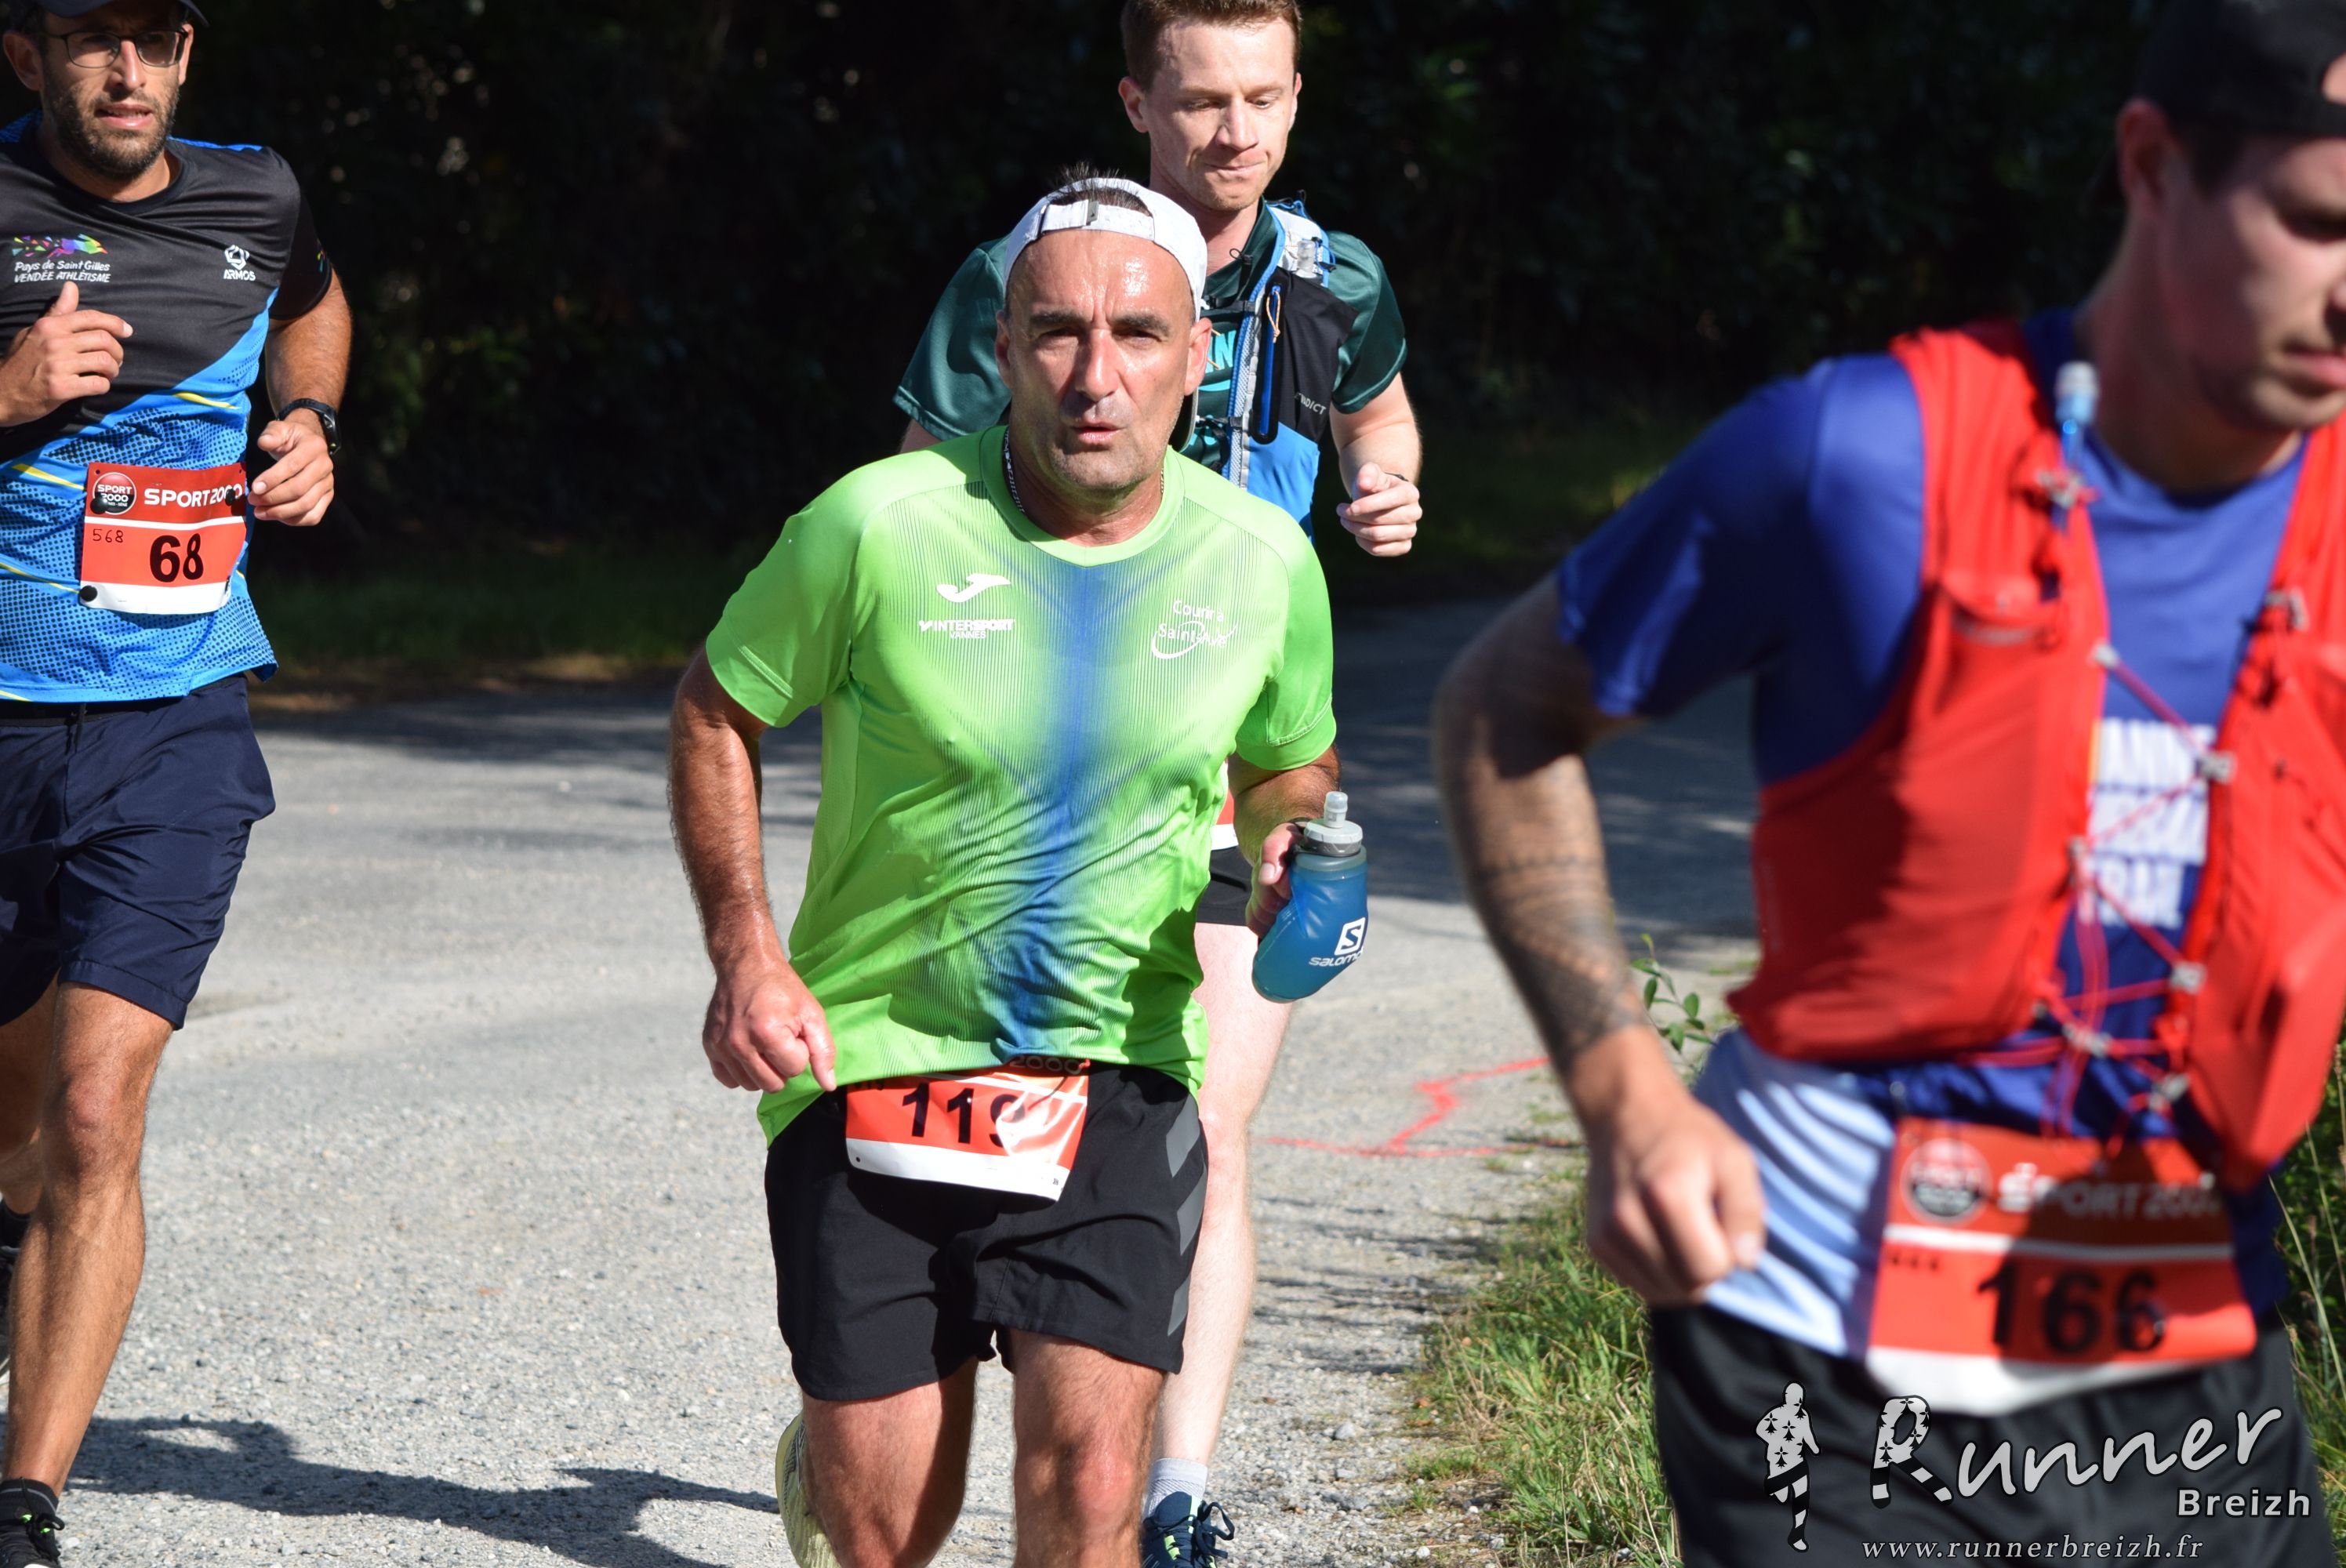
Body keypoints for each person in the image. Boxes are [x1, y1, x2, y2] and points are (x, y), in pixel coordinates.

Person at [1433, 2, 2346, 1562]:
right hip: (1827, 1350)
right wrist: (1623, 1094)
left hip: (2194, 1347)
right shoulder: (1854, 455)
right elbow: (1501, 715)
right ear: (2149, 165)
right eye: (2318, 223)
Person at [670, 174, 1340, 1568]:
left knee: (1091, 1488)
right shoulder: (876, 524)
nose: (1097, 377)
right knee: (884, 1534)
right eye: (1057, 333)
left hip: (1117, 1069)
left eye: (1138, 335)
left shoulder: (1263, 561)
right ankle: (833, 1472)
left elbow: (1291, 755)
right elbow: (717, 711)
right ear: (1001, 347)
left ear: (1196, 354)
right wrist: (747, 951)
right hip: (872, 1059)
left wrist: (1291, 830)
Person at [894, 6, 1415, 1552]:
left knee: (1203, 1124)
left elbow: (1378, 413)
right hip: (1038, 769)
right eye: (1198, 102)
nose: (1233, 133)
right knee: (996, 1125)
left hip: (1240, 763)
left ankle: (1169, 1492)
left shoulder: (1332, 279)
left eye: (1262, 99)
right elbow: (911, 498)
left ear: (1297, 98)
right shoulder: (1026, 275)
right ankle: (886, 1399)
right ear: (1137, 102)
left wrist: (1385, 484)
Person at [0, 0, 346, 1560]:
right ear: (29, 55)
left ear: (189, 51)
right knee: (17, 1120)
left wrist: (306, 416)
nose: (125, 70)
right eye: (92, 37)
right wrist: (8, 394)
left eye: (153, 37)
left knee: (93, 1110)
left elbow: (316, 302)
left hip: (178, 720)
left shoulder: (254, 196)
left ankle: (28, 1499)